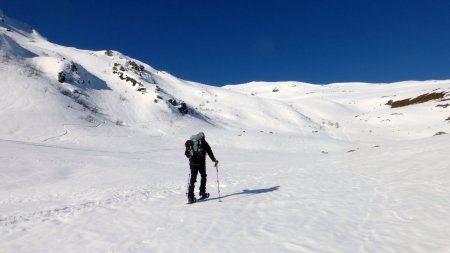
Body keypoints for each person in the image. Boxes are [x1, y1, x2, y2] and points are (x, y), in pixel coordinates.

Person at [184, 132, 218, 203]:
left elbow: (186, 153)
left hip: (192, 163)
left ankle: (190, 197)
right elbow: (209, 152)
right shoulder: (203, 142)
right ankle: (202, 192)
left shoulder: (191, 142)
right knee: (203, 176)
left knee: (192, 179)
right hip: (201, 163)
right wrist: (214, 160)